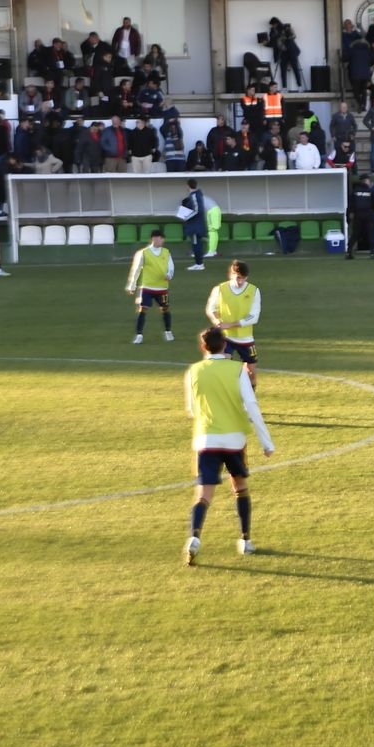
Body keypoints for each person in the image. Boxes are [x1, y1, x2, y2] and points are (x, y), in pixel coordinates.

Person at [184, 325, 275, 565]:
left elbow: (192, 409)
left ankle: (194, 537)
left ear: (203, 347)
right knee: (240, 488)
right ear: (225, 345)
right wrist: (266, 442)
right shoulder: (238, 370)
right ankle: (245, 540)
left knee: (203, 494)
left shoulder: (193, 371)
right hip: (234, 438)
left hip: (206, 438)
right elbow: (252, 406)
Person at [205, 259, 261, 385]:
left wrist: (230, 324)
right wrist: (216, 320)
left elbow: (253, 316)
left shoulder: (254, 291)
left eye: (243, 278)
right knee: (225, 367)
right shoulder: (219, 289)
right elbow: (211, 308)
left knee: (251, 372)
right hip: (226, 337)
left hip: (245, 338)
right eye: (237, 278)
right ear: (231, 275)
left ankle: (249, 400)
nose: (240, 281)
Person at [125, 227, 175, 344]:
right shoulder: (144, 253)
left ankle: (168, 332)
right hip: (147, 288)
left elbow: (171, 266)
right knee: (142, 310)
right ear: (154, 238)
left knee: (165, 309)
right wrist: (132, 285)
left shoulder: (166, 252)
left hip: (162, 288)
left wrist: (169, 274)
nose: (161, 241)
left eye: (162, 239)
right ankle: (139, 335)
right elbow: (136, 269)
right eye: (159, 238)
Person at [178, 178, 208, 271]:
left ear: (188, 186)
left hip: (195, 226)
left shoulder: (194, 195)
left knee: (196, 245)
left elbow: (197, 210)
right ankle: (198, 263)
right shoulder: (195, 195)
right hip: (195, 225)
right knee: (196, 244)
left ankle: (199, 264)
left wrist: (186, 216)